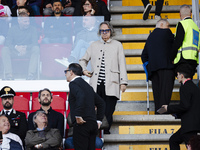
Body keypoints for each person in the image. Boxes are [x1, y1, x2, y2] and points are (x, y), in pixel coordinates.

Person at [79, 21, 128, 134]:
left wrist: (123, 82)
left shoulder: (117, 45)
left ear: (110, 31)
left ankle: (106, 130)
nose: (104, 33)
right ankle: (96, 132)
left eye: (106, 30)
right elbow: (83, 60)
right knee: (96, 109)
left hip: (112, 82)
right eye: (102, 31)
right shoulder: (94, 45)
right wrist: (84, 70)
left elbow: (122, 64)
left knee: (109, 109)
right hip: (96, 83)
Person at [65, 63, 105, 150]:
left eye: (66, 71)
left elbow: (81, 95)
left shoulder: (73, 83)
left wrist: (78, 115)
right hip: (92, 124)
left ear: (71, 72)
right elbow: (101, 103)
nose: (65, 74)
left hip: (82, 124)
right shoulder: (87, 86)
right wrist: (98, 121)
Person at [160, 64, 200, 150]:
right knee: (173, 140)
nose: (177, 77)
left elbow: (185, 106)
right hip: (192, 125)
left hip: (188, 127)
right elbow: (191, 106)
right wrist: (177, 114)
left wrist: (168, 108)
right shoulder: (195, 88)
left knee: (192, 147)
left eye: (177, 75)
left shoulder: (184, 87)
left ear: (182, 76)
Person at [141, 19, 175, 114]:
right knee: (165, 95)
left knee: (157, 95)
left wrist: (149, 68)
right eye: (167, 25)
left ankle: (158, 114)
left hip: (154, 70)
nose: (168, 28)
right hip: (167, 68)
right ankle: (163, 115)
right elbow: (175, 47)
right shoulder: (167, 33)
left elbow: (143, 55)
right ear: (161, 24)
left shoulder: (150, 36)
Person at [1, 12, 40, 80]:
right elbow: (7, 43)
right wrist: (16, 47)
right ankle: (9, 75)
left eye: (28, 21)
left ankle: (31, 75)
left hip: (28, 51)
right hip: (15, 51)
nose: (27, 23)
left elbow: (35, 43)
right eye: (25, 21)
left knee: (36, 49)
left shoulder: (33, 29)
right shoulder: (12, 29)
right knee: (5, 50)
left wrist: (25, 47)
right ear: (19, 21)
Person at [171, 4, 200, 77]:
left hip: (183, 59)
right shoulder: (195, 26)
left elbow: (178, 42)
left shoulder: (182, 24)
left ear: (179, 14)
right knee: (189, 81)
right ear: (190, 14)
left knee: (184, 83)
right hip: (194, 59)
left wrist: (171, 57)